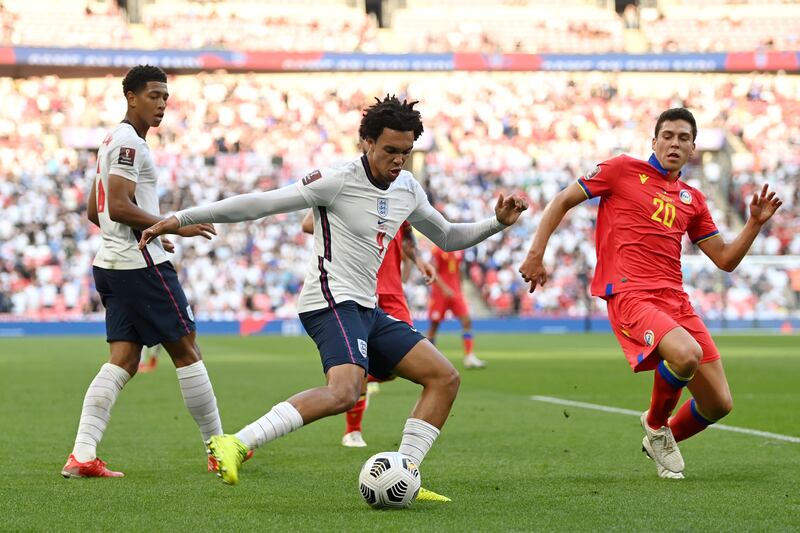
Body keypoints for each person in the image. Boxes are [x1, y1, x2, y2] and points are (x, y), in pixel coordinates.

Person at [139, 95, 528, 489]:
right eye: (390, 150)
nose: (398, 161)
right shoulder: (336, 180)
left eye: (406, 153)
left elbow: (447, 236)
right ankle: (234, 443)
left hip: (367, 308)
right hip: (328, 301)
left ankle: (405, 475)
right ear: (367, 143)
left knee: (444, 377)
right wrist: (179, 218)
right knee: (345, 391)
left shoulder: (407, 188)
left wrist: (496, 223)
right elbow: (260, 203)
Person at [518, 108, 782, 479]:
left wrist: (754, 224)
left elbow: (724, 260)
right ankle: (657, 425)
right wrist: (536, 253)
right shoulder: (621, 170)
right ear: (654, 141)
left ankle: (661, 433)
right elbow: (562, 200)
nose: (675, 143)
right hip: (631, 294)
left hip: (676, 300)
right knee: (686, 354)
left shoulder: (693, 199)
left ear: (693, 149)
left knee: (719, 403)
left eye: (684, 138)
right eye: (668, 135)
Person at [62, 65, 224, 478]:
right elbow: (114, 206)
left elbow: (93, 211)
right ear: (131, 97)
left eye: (165, 97)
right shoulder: (129, 143)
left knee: (124, 358)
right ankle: (220, 447)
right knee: (187, 348)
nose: (162, 104)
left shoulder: (111, 140)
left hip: (112, 264)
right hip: (140, 267)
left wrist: (149, 229)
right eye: (153, 95)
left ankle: (82, 455)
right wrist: (171, 224)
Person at [302, 212, 436, 448]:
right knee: (360, 363)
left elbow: (406, 235)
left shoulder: (399, 194)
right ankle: (352, 430)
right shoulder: (351, 191)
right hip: (358, 290)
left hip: (393, 293)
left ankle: (350, 378)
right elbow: (307, 224)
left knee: (397, 366)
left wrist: (419, 261)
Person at [426, 246, 486, 369]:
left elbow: (459, 270)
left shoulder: (459, 249)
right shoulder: (437, 250)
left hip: (456, 292)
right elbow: (433, 270)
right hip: (440, 293)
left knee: (467, 321)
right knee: (434, 326)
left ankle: (469, 357)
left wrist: (460, 288)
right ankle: (429, 359)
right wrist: (444, 288)